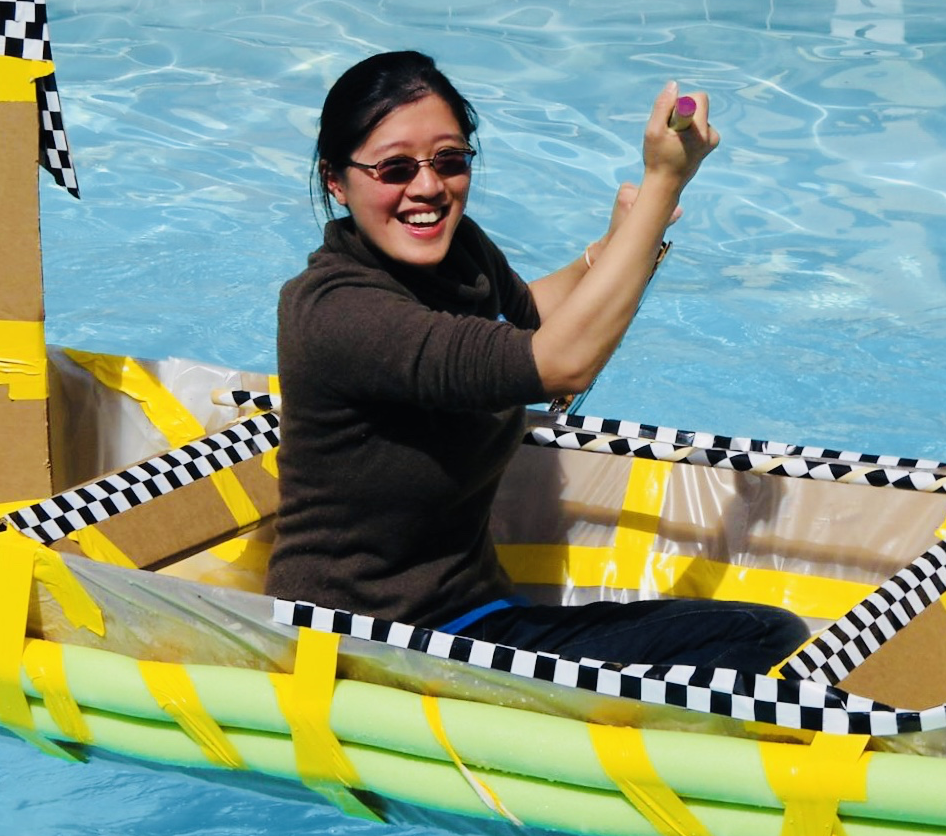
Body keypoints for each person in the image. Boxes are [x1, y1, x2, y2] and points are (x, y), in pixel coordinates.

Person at [265, 50, 809, 673]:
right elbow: (560, 363)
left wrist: (605, 254)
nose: (427, 188)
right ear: (337, 180)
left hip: (473, 613)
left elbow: (526, 323)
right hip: (364, 639)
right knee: (759, 638)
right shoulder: (337, 311)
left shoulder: (458, 253)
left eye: (450, 160)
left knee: (761, 633)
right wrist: (663, 183)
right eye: (393, 168)